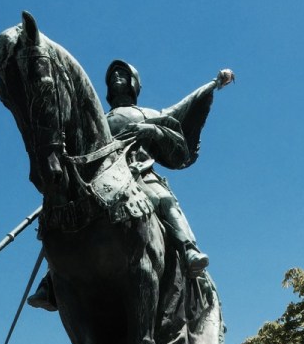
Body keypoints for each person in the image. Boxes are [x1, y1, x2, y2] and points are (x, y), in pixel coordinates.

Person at [28, 58, 234, 309]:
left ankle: (189, 249)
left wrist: (153, 130)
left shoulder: (149, 114)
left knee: (165, 200)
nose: (116, 77)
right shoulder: (99, 119)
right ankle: (52, 281)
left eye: (122, 74)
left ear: (134, 82)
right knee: (68, 215)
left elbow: (184, 108)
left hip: (139, 174)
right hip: (100, 180)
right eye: (112, 75)